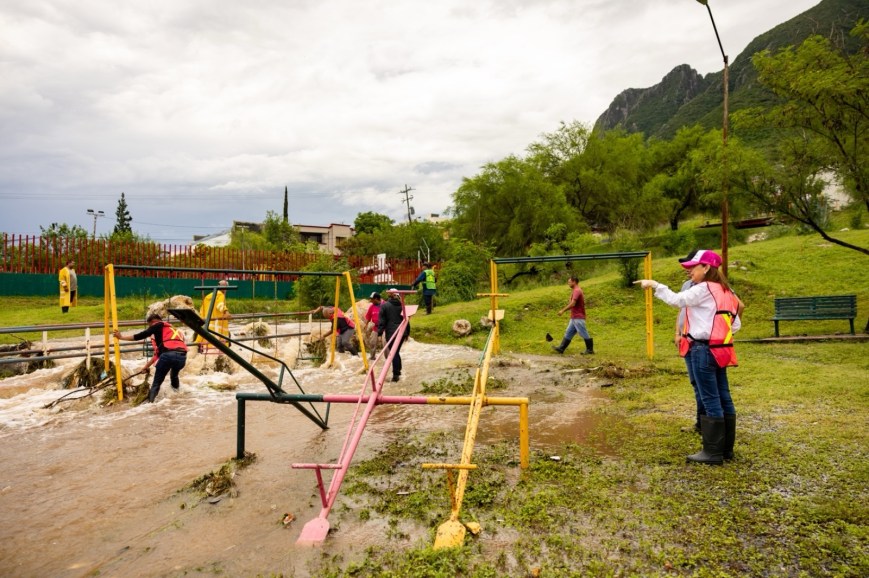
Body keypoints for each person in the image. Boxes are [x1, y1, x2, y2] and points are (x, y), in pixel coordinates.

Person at [635, 249, 742, 465]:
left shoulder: (704, 289)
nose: (689, 271)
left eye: (693, 267)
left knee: (710, 398)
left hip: (702, 350)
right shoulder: (726, 291)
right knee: (724, 396)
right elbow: (736, 323)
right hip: (721, 349)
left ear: (706, 268)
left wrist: (655, 285)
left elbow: (677, 300)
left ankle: (712, 452)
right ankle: (726, 450)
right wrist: (718, 334)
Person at [113, 313, 189, 403]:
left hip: (168, 355)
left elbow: (141, 335)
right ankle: (177, 397)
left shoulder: (157, 325)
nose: (151, 329)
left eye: (150, 326)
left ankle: (150, 405)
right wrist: (146, 366)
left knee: (156, 383)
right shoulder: (176, 331)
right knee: (174, 376)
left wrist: (121, 337)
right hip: (182, 357)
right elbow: (159, 354)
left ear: (153, 322)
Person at [552, 275, 594, 355]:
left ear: (574, 282)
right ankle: (561, 348)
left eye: (569, 282)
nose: (568, 283)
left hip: (578, 317)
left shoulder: (577, 290)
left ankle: (590, 350)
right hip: (574, 317)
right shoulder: (576, 290)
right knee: (568, 332)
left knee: (583, 333)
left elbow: (573, 304)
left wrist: (563, 310)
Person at [378, 289, 409, 382]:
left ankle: (396, 375)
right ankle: (398, 372)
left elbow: (382, 321)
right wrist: (408, 332)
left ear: (389, 296)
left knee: (394, 352)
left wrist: (379, 332)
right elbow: (406, 319)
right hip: (402, 331)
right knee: (396, 352)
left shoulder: (384, 306)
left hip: (392, 332)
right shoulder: (403, 306)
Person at [195, 280, 231, 352]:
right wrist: (226, 312)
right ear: (225, 288)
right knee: (218, 347)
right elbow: (220, 305)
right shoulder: (220, 295)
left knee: (206, 346)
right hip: (217, 327)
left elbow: (202, 310)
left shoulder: (208, 296)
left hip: (206, 325)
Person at [364, 292, 383, 360]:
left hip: (384, 327)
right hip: (376, 327)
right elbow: (368, 317)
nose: (370, 301)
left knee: (386, 342)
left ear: (376, 299)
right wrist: (366, 325)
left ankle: (388, 358)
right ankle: (372, 357)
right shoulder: (371, 306)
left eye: (372, 299)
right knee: (372, 342)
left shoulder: (384, 305)